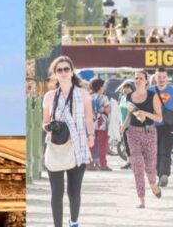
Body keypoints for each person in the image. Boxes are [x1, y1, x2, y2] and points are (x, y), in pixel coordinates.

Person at [42, 56, 95, 227]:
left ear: (72, 72)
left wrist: (91, 135)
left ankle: (73, 222)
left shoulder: (83, 94)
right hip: (57, 146)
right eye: (60, 70)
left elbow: (89, 118)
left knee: (74, 191)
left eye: (66, 69)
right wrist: (50, 127)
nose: (63, 72)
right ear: (55, 74)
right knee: (57, 192)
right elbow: (44, 123)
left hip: (78, 144)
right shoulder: (49, 97)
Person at [121, 69, 163, 208]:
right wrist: (123, 126)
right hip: (133, 133)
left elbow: (159, 117)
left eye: (140, 78)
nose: (137, 80)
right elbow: (129, 115)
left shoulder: (153, 96)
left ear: (146, 81)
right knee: (137, 165)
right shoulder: (128, 97)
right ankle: (141, 198)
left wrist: (145, 113)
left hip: (149, 133)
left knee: (150, 168)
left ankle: (153, 183)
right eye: (136, 78)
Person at [152, 67, 173, 187]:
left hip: (169, 125)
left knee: (166, 151)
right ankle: (160, 174)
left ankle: (164, 174)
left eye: (164, 77)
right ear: (155, 77)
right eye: (159, 77)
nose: (161, 79)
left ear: (167, 78)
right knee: (155, 152)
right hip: (153, 126)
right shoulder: (150, 90)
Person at [89, 78, 112, 170]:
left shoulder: (89, 96)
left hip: (91, 122)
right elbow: (108, 110)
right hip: (102, 123)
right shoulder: (104, 97)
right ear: (100, 87)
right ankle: (103, 164)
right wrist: (104, 109)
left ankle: (90, 164)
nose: (104, 88)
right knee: (103, 144)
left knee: (91, 144)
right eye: (103, 86)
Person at [118, 80, 136, 170]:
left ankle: (134, 163)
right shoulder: (122, 98)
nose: (126, 89)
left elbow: (130, 113)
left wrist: (124, 125)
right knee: (126, 144)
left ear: (132, 89)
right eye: (124, 88)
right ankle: (129, 162)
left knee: (132, 144)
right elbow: (120, 112)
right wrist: (120, 124)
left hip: (131, 124)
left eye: (128, 88)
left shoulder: (132, 98)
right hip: (123, 124)